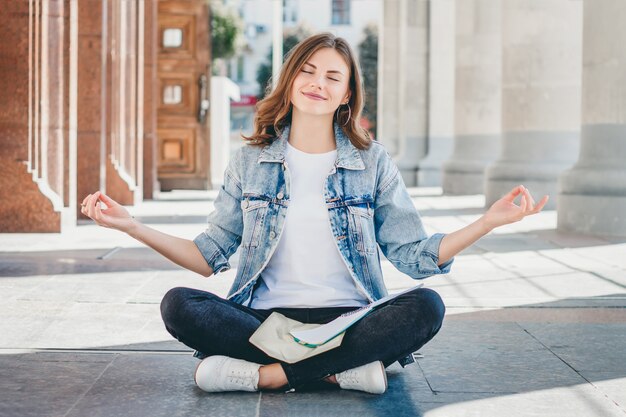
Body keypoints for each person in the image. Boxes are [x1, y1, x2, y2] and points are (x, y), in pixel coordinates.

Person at [80, 33, 548, 395]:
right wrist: (132, 226)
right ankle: (337, 373)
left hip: (348, 320)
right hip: (264, 321)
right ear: (290, 81)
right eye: (308, 71)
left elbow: (412, 255)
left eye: (332, 77)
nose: (318, 84)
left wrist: (487, 222)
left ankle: (270, 378)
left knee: (426, 306)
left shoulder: (372, 162)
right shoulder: (250, 161)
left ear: (346, 94)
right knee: (179, 304)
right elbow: (209, 255)